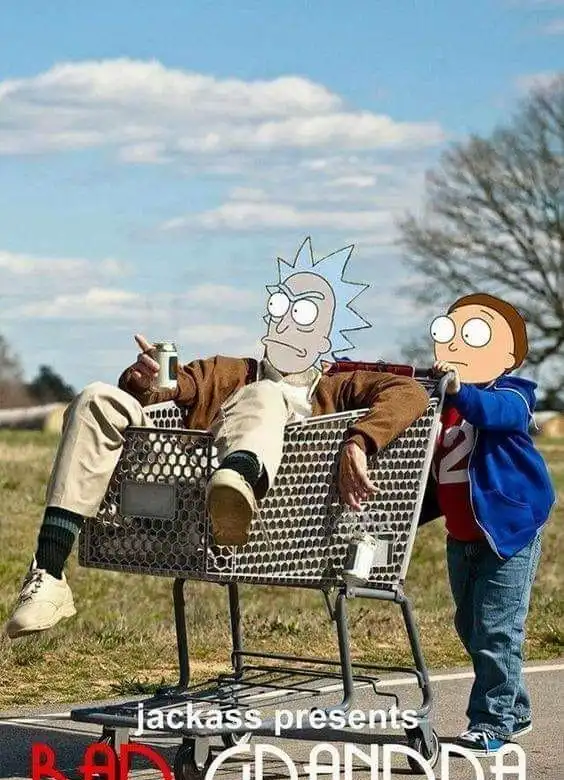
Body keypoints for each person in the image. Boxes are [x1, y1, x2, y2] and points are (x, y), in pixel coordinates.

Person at [5, 238, 429, 640]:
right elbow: (176, 387)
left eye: (303, 314)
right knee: (96, 397)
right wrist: (143, 382)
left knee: (266, 394)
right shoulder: (229, 372)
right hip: (186, 506)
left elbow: (410, 393)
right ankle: (49, 571)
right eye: (280, 306)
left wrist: (358, 441)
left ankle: (238, 480)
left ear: (325, 336)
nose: (285, 321)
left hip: (279, 530)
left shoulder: (340, 387)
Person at [426, 293, 555, 756]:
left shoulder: (515, 395)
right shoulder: (442, 406)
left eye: (475, 336)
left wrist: (461, 391)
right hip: (462, 536)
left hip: (508, 533)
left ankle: (492, 720)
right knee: (471, 625)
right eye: (451, 335)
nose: (459, 346)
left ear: (507, 354)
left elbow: (494, 413)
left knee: (497, 630)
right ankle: (515, 708)